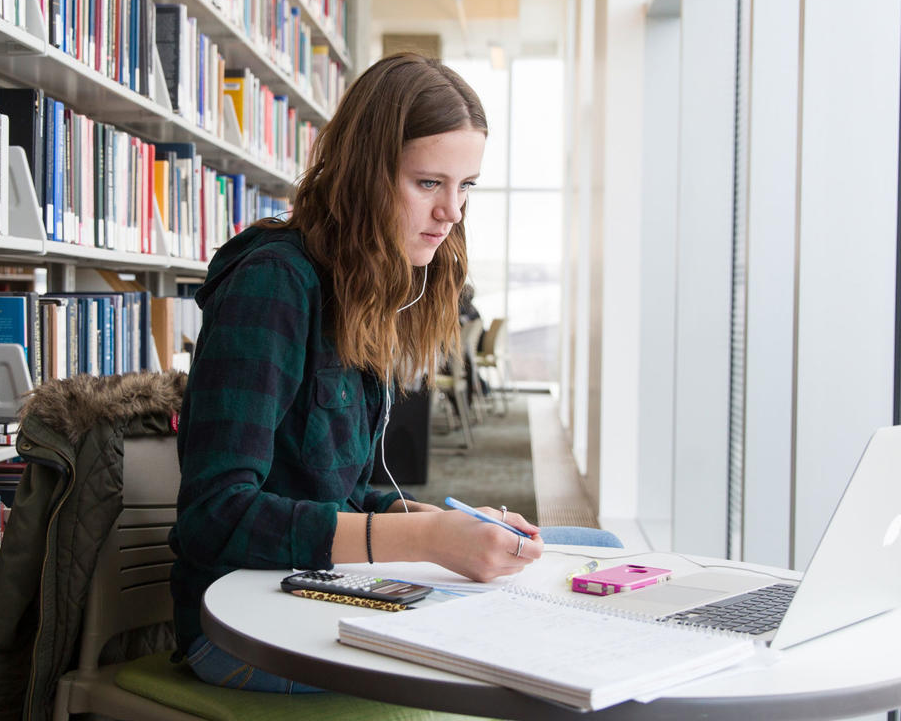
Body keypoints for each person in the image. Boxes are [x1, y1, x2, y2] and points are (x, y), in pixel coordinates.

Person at [169, 53, 620, 694]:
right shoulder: (274, 283)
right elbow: (216, 518)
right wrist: (427, 536)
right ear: (364, 175)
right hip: (246, 625)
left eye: (467, 186)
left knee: (597, 545)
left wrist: (438, 522)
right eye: (429, 184)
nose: (453, 213)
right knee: (533, 641)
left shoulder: (366, 285)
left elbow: (339, 493)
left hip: (320, 593)